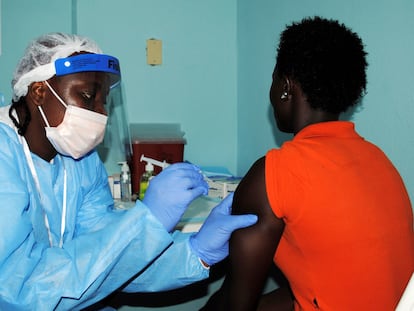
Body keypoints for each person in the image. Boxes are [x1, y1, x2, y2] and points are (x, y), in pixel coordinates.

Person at [0, 32, 258, 310]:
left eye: (104, 102)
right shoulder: (5, 156)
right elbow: (19, 289)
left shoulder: (81, 162)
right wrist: (146, 221)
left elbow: (111, 260)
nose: (100, 113)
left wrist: (195, 252)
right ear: (39, 91)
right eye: (87, 97)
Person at [201, 16, 414, 311]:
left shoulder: (274, 173)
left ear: (286, 88)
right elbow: (323, 286)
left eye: (274, 79)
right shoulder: (380, 162)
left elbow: (236, 303)